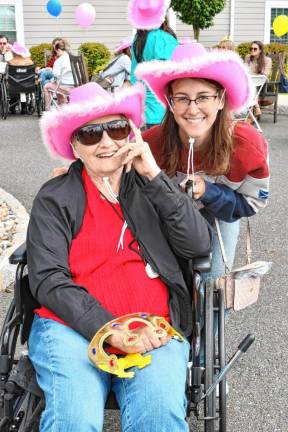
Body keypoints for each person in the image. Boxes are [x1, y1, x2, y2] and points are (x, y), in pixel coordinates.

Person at [27, 81, 211, 431]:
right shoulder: (54, 198)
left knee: (158, 418)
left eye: (116, 128)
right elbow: (49, 279)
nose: (107, 141)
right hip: (70, 329)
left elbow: (199, 246)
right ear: (74, 145)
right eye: (91, 134)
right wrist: (108, 329)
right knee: (73, 422)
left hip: (152, 327)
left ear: (131, 133)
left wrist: (155, 176)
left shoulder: (152, 186)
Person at [136, 41, 270, 280]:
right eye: (182, 98)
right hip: (168, 215)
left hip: (221, 214)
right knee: (161, 280)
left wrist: (209, 191)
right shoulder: (150, 143)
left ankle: (213, 315)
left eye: (203, 97)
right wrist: (77, 173)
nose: (192, 109)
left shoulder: (247, 145)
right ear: (170, 103)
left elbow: (250, 204)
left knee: (214, 285)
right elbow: (111, 162)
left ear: (220, 100)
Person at [128, 0, 179, 129]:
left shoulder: (137, 41)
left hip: (144, 108)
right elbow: (174, 73)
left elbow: (134, 76)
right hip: (162, 108)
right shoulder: (164, 39)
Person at [43, 40, 74, 110]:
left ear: (59, 50)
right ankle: (62, 105)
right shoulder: (73, 59)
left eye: (56, 52)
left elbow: (55, 76)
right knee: (58, 85)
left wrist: (51, 81)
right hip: (76, 87)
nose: (56, 54)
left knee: (47, 86)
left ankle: (47, 110)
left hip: (65, 88)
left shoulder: (59, 61)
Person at [244, 41, 272, 117]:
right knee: (249, 86)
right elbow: (244, 71)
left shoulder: (267, 60)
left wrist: (252, 74)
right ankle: (255, 109)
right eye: (251, 48)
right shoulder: (248, 57)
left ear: (260, 50)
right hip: (250, 83)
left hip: (262, 83)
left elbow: (265, 74)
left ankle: (252, 113)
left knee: (250, 86)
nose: (252, 50)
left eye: (255, 49)